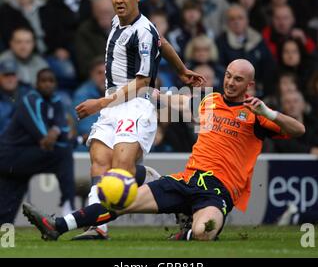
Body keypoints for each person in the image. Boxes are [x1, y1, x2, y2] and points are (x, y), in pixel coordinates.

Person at [23, 59, 305, 241]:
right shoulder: (210, 101)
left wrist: (270, 112)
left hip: (218, 190)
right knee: (122, 201)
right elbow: (176, 103)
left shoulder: (256, 114)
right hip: (187, 180)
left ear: (250, 85)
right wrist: (149, 92)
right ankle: (58, 225)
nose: (230, 82)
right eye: (228, 76)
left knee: (203, 232)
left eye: (237, 80)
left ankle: (187, 231)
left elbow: (298, 130)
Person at [58, 0, 205, 240]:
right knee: (98, 163)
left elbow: (142, 83)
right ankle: (99, 226)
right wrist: (181, 69)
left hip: (136, 103)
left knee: (119, 168)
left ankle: (171, 197)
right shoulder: (120, 20)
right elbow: (164, 41)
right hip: (113, 104)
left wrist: (97, 104)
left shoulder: (143, 31)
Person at [0, 68, 75, 225]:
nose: (48, 84)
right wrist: (56, 131)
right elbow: (43, 136)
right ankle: (68, 204)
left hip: (25, 157)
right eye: (44, 81)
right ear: (36, 84)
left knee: (8, 206)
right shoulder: (31, 100)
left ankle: (5, 240)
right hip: (10, 156)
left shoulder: (56, 101)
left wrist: (55, 131)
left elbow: (65, 130)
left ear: (55, 83)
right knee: (63, 153)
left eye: (51, 81)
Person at [0, 59, 31, 135]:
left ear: (18, 77)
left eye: (13, 75)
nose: (10, 79)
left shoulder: (28, 93)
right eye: (6, 75)